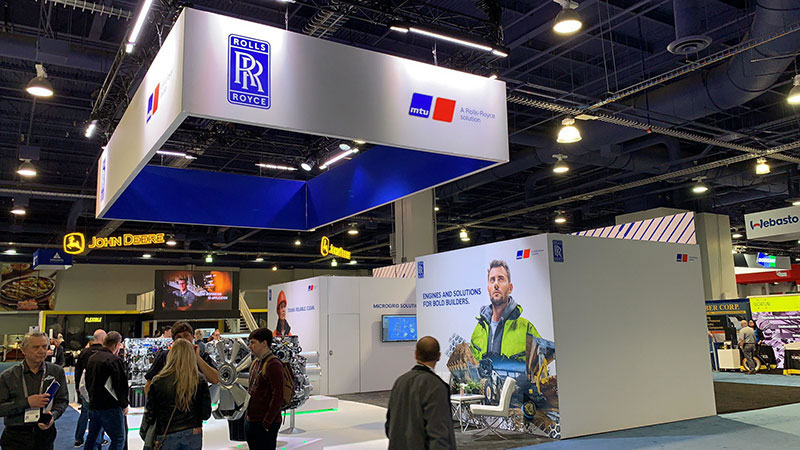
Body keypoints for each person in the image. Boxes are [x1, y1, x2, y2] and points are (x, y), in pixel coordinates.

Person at [0, 331, 69, 450]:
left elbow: (62, 400)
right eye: (36, 347)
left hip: (44, 435)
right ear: (23, 350)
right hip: (16, 436)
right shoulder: (8, 376)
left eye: (44, 346)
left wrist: (53, 415)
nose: (42, 351)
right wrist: (27, 402)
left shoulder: (56, 372)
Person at [385, 336, 456, 450]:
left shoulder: (400, 382)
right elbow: (438, 432)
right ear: (438, 356)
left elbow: (389, 424)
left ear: (416, 354)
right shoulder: (436, 386)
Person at [144, 339, 211, 450]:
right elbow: (205, 414)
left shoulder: (158, 380)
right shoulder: (199, 380)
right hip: (193, 431)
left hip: (166, 432)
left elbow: (150, 414)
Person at [470, 260, 541, 362]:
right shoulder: (479, 329)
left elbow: (541, 365)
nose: (496, 284)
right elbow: (471, 366)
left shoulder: (526, 328)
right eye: (492, 280)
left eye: (501, 279)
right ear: (488, 289)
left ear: (510, 288)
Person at [145, 322, 219, 394]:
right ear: (174, 341)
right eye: (179, 337)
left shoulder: (202, 355)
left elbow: (215, 379)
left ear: (192, 336)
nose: (183, 339)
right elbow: (149, 384)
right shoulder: (164, 356)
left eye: (186, 335)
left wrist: (197, 358)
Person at [84, 331, 128, 450]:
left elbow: (86, 380)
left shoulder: (92, 358)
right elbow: (120, 385)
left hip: (94, 404)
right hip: (110, 406)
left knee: (93, 438)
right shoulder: (114, 360)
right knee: (118, 439)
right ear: (117, 344)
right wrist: (124, 404)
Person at [245, 328, 284, 450]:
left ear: (264, 343)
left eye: (253, 342)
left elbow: (278, 396)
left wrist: (267, 422)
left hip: (265, 422)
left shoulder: (273, 364)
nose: (250, 346)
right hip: (252, 420)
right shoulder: (256, 363)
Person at [74, 329, 107, 447]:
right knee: (100, 415)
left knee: (84, 413)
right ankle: (99, 439)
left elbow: (77, 371)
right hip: (100, 390)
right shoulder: (105, 353)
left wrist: (77, 386)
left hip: (85, 388)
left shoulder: (84, 353)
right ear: (103, 339)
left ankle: (79, 438)